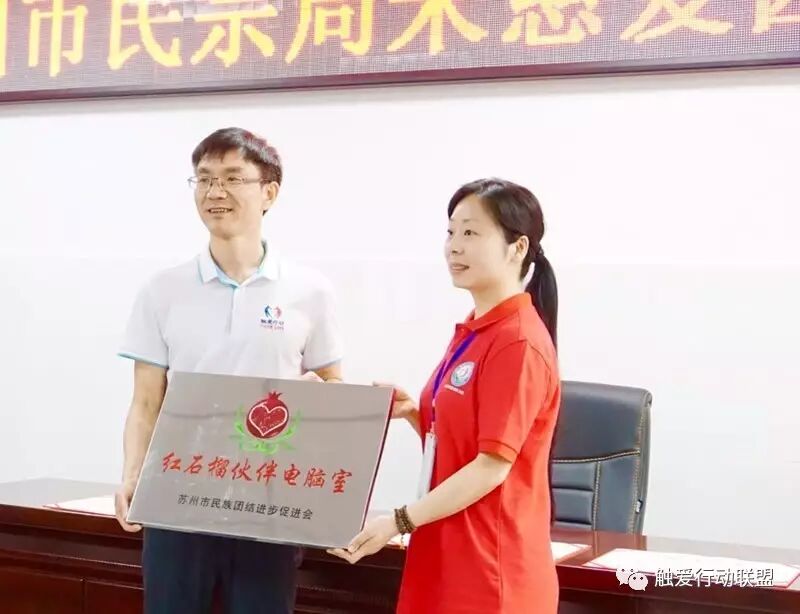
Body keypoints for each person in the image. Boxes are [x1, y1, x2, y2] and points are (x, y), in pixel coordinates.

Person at [114, 127, 343, 614]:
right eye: (204, 179)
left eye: (233, 178)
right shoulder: (162, 290)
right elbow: (146, 401)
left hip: (269, 503)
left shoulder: (309, 291)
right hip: (178, 496)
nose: (215, 192)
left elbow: (333, 389)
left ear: (269, 193)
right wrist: (133, 474)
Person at [329, 178, 561, 613]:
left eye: (471, 232)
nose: (454, 246)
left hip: (490, 571)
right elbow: (461, 444)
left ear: (517, 247)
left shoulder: (517, 341)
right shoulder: (476, 329)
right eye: (451, 232)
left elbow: (491, 467)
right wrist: (415, 413)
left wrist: (398, 520)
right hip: (445, 551)